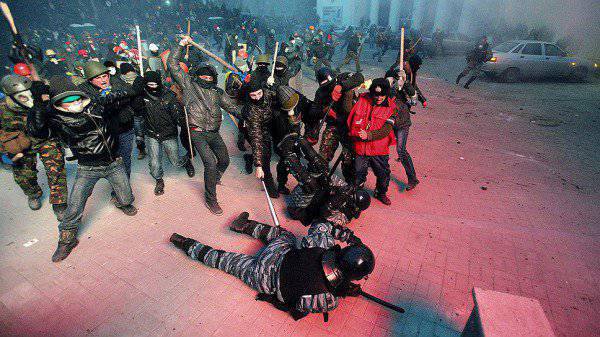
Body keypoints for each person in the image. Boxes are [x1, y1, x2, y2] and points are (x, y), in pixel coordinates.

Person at [169, 212, 374, 319]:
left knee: (284, 235)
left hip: (279, 254)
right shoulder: (329, 301)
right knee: (225, 261)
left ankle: (245, 226)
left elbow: (320, 224)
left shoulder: (323, 244)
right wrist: (341, 291)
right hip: (265, 280)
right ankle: (185, 243)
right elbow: (300, 305)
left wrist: (347, 235)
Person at [27, 76, 138, 262]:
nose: (75, 103)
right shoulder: (57, 120)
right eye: (69, 101)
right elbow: (37, 130)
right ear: (59, 104)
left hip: (114, 163)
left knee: (127, 199)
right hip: (88, 168)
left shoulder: (96, 106)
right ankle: (66, 239)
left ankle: (121, 202)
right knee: (75, 205)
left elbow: (131, 93)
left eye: (77, 98)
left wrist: (115, 93)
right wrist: (39, 103)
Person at [168, 35, 240, 215]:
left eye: (209, 76)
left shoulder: (217, 91)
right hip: (197, 132)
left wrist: (252, 111)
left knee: (224, 160)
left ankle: (213, 179)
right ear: (197, 76)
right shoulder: (189, 85)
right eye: (203, 75)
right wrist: (180, 45)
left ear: (213, 77)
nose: (206, 78)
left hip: (214, 132)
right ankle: (211, 200)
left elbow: (233, 107)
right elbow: (173, 65)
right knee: (210, 163)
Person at [0, 75, 68, 219]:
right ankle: (33, 193)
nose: (29, 99)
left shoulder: (41, 100)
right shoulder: (3, 110)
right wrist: (6, 150)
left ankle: (59, 202)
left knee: (56, 166)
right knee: (23, 175)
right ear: (11, 97)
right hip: (21, 144)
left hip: (43, 139)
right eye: (23, 97)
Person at [132, 71, 195, 195]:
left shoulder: (169, 96)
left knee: (175, 161)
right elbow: (135, 108)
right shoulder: (142, 96)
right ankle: (158, 179)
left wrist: (183, 120)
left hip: (168, 133)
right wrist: (136, 90)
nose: (153, 87)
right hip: (151, 134)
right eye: (149, 84)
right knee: (154, 163)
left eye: (155, 84)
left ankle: (186, 162)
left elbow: (178, 117)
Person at [79, 61, 137, 178]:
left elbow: (131, 91)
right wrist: (108, 99)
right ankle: (118, 188)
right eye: (98, 78)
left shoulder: (116, 82)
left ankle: (123, 191)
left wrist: (115, 94)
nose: (103, 80)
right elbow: (92, 104)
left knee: (125, 160)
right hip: (105, 134)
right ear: (90, 80)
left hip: (125, 130)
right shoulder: (85, 89)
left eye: (104, 76)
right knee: (112, 163)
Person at [347, 78, 397, 205]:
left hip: (379, 149)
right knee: (358, 173)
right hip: (360, 148)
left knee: (383, 174)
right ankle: (357, 195)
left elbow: (386, 130)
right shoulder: (361, 100)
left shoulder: (392, 108)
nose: (379, 98)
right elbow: (349, 114)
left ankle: (380, 193)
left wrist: (368, 135)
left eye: (382, 95)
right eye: (376, 95)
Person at [319, 72, 364, 184]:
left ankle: (352, 184)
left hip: (349, 126)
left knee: (349, 158)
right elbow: (315, 108)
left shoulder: (342, 79)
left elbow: (359, 77)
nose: (329, 88)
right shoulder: (321, 92)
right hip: (333, 125)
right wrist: (324, 110)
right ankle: (321, 179)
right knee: (323, 155)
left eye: (331, 85)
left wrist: (341, 86)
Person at [246, 77, 280, 198]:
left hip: (270, 125)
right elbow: (256, 139)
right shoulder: (252, 110)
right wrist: (259, 166)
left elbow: (280, 94)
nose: (258, 97)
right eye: (253, 95)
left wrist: (276, 85)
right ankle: (268, 180)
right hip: (258, 129)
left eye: (259, 93)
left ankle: (249, 158)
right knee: (265, 156)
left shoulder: (268, 93)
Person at [386, 69, 419, 191]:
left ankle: (412, 179)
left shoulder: (406, 87)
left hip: (402, 123)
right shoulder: (388, 88)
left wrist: (405, 84)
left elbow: (414, 100)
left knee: (401, 150)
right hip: (389, 121)